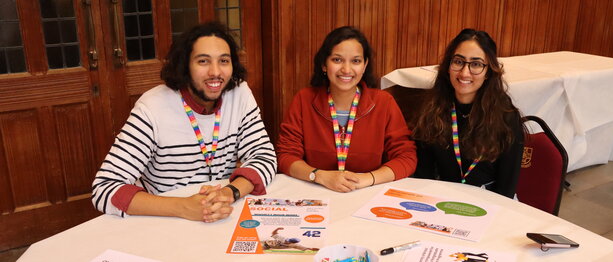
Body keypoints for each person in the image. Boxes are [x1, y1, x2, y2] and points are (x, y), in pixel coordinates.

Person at [91, 22, 276, 222]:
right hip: (167, 219)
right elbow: (104, 188)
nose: (216, 72)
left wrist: (228, 193)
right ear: (185, 66)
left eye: (224, 60)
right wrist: (184, 207)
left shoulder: (239, 93)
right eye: (203, 61)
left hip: (222, 215)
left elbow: (264, 156)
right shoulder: (152, 108)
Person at [276, 26, 416, 192]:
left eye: (356, 61)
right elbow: (285, 155)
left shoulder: (384, 103)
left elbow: (406, 157)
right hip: (316, 191)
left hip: (368, 192)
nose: (346, 70)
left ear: (364, 66)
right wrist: (319, 175)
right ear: (324, 64)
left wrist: (367, 179)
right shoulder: (304, 100)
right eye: (337, 60)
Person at [411, 28, 525, 198]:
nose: (464, 72)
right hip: (442, 200)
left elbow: (506, 188)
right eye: (458, 61)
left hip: (492, 203)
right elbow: (423, 175)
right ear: (448, 66)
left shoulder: (506, 117)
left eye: (476, 64)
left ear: (489, 71)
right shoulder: (432, 109)